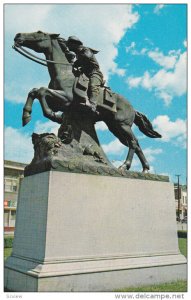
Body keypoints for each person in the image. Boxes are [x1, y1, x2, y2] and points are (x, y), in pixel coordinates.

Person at [66, 36, 104, 113]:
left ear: (75, 44)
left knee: (93, 86)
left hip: (95, 73)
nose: (68, 47)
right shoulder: (78, 55)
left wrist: (76, 63)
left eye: (69, 45)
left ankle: (93, 105)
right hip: (85, 74)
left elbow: (87, 57)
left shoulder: (85, 49)